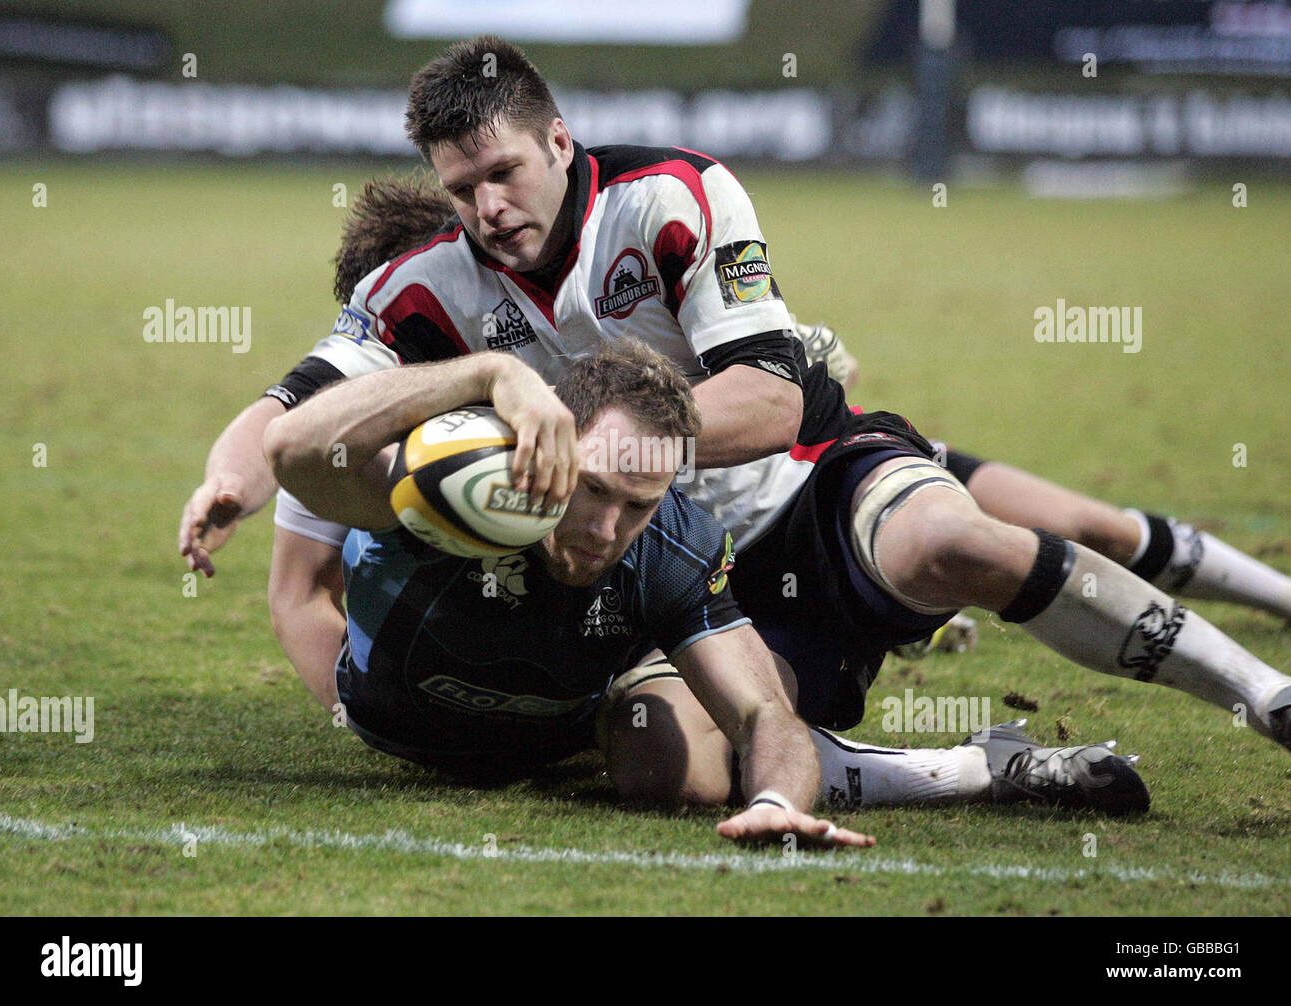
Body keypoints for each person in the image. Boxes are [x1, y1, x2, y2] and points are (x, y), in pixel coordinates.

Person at [180, 37, 1289, 812]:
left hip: (797, 489)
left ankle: (1262, 689)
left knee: (960, 541)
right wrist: (224, 480)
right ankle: (979, 769)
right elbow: (290, 413)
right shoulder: (424, 290)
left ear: (559, 140)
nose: (487, 209)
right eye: (460, 188)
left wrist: (597, 463)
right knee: (667, 768)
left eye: (502, 173)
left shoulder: (670, 196)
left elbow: (768, 401)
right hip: (659, 563)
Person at [265, 338, 1149, 824]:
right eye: (595, 490)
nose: (608, 530)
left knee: (673, 771)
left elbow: (765, 713)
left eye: (640, 504)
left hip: (558, 724)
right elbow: (293, 449)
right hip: (401, 727)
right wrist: (494, 372)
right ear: (555, 444)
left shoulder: (674, 544)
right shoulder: (465, 492)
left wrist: (774, 800)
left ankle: (974, 769)